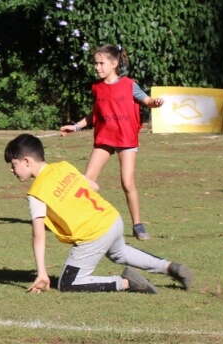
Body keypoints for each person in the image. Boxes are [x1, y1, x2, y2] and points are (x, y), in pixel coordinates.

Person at [3, 134, 192, 296]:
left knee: (68, 283)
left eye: (13, 164)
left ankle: (127, 283)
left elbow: (38, 235)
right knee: (120, 253)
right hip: (111, 218)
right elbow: (94, 186)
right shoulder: (63, 166)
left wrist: (42, 273)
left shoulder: (37, 192)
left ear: (26, 160)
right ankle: (169, 267)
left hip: (94, 233)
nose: (11, 170)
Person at [58, 45, 165, 240]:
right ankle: (82, 220)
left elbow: (147, 101)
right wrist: (75, 127)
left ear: (114, 64)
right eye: (95, 63)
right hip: (104, 139)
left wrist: (155, 103)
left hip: (126, 139)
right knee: (86, 181)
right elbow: (95, 115)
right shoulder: (96, 87)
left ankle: (138, 225)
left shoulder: (129, 85)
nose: (97, 67)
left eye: (101, 63)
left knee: (127, 182)